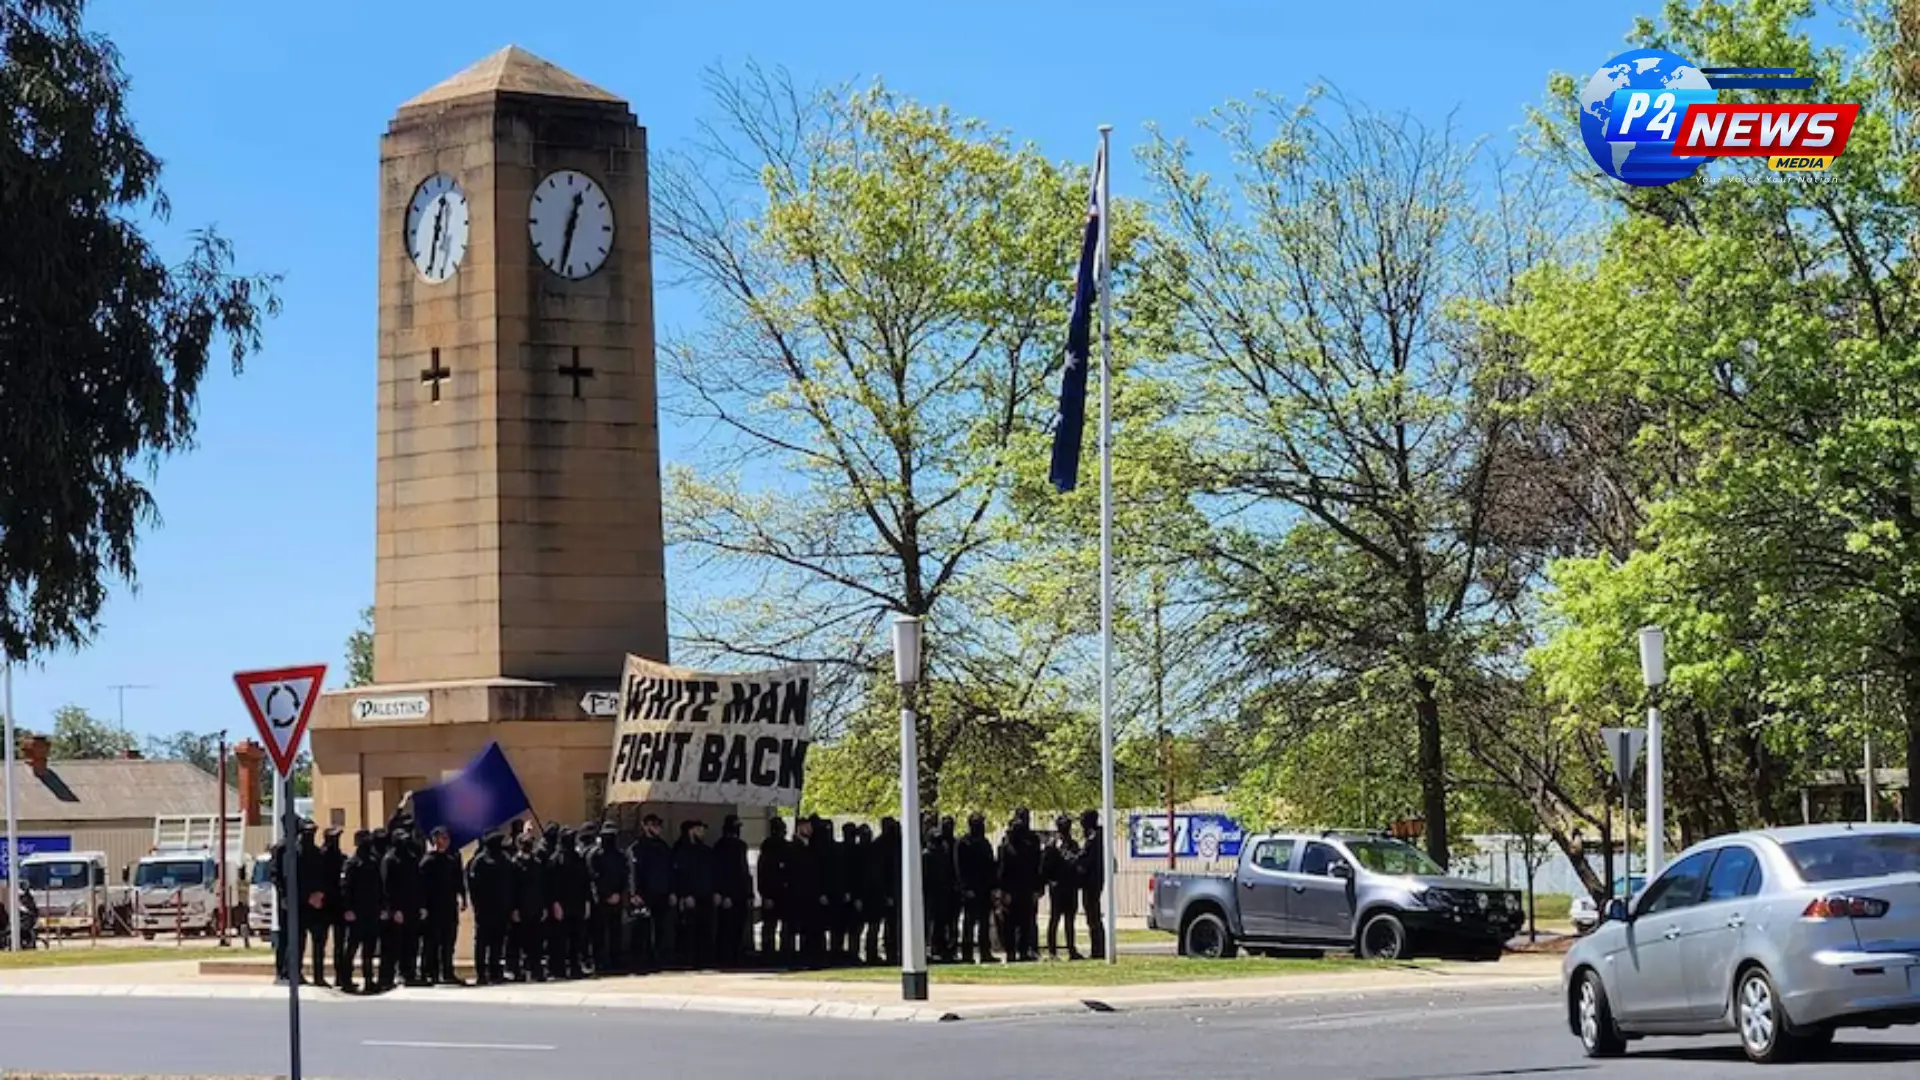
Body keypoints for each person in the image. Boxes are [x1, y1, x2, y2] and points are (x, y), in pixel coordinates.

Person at [419, 826, 467, 986]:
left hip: (449, 906)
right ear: (434, 840)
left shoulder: (451, 859)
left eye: (447, 838)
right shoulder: (427, 861)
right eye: (442, 838)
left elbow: (458, 881)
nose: (445, 841)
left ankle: (447, 971)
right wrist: (423, 906)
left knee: (448, 941)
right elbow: (422, 887)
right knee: (432, 942)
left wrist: (462, 897)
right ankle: (429, 972)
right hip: (433, 908)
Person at [628, 814, 675, 972]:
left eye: (659, 825)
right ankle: (642, 960)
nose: (658, 828)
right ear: (646, 826)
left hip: (661, 893)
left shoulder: (663, 846)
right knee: (643, 928)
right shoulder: (637, 847)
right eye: (654, 825)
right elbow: (633, 872)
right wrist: (634, 893)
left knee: (661, 927)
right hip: (644, 895)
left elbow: (670, 870)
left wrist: (672, 891)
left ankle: (659, 958)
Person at [337, 829, 381, 993]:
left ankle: (369, 980)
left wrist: (381, 907)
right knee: (352, 948)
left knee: (369, 949)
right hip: (356, 912)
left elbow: (379, 887)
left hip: (371, 911)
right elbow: (345, 888)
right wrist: (347, 908)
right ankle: (346, 980)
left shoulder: (374, 861)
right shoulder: (352, 863)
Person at [466, 831, 513, 984]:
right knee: (482, 942)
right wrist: (477, 906)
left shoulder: (504, 860)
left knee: (497, 942)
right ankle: (481, 973)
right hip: (485, 909)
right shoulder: (479, 861)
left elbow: (509, 884)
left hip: (501, 908)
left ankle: (495, 971)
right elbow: (473, 887)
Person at [380, 827, 425, 988]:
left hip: (412, 907)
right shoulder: (389, 859)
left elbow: (419, 883)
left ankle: (409, 973)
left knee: (411, 943)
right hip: (397, 909)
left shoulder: (411, 858)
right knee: (393, 945)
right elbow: (387, 887)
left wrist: (421, 905)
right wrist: (394, 909)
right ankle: (388, 977)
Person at [671, 820, 716, 969]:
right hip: (690, 897)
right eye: (700, 830)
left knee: (706, 928)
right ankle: (689, 960)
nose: (703, 834)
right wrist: (685, 894)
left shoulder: (706, 851)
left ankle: (705, 959)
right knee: (689, 929)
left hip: (706, 895)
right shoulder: (681, 850)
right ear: (692, 831)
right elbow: (679, 875)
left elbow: (712, 873)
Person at [588, 822, 630, 976]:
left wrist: (619, 894)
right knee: (599, 933)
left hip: (616, 899)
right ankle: (599, 961)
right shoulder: (595, 855)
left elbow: (624, 875)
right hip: (600, 901)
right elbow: (593, 877)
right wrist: (605, 895)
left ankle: (616, 960)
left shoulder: (620, 855)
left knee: (615, 932)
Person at [292, 820, 330, 986]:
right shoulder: (294, 854)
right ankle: (296, 973)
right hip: (300, 904)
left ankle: (319, 976)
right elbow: (292, 879)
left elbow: (324, 876)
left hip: (317, 905)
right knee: (298, 942)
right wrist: (307, 896)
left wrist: (320, 894)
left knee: (319, 942)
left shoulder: (318, 853)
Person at [956, 813, 997, 963]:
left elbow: (991, 865)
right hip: (971, 889)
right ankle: (967, 954)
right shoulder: (964, 843)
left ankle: (985, 953)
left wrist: (993, 886)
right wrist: (965, 888)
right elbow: (959, 868)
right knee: (969, 923)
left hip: (984, 888)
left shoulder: (985, 843)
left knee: (984, 923)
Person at [547, 826, 588, 979]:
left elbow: (584, 882)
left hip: (577, 904)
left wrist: (586, 902)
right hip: (561, 906)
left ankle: (575, 967)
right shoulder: (555, 859)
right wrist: (555, 903)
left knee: (576, 938)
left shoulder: (578, 858)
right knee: (559, 940)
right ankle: (558, 969)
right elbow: (551, 885)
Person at [713, 815, 752, 968]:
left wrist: (749, 893)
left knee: (737, 926)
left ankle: (735, 955)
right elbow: (721, 871)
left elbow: (744, 870)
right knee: (726, 927)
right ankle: (725, 957)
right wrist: (723, 893)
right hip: (729, 893)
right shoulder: (721, 846)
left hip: (740, 892)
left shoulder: (740, 845)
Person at [784, 817, 825, 965]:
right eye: (807, 827)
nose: (810, 830)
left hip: (811, 896)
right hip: (798, 895)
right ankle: (796, 958)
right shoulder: (792, 849)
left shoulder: (812, 848)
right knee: (796, 927)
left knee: (811, 929)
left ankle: (810, 956)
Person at [509, 831, 548, 982]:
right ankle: (518, 971)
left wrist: (543, 907)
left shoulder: (537, 864)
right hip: (520, 909)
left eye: (530, 843)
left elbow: (542, 887)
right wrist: (514, 909)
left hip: (535, 908)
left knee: (536, 942)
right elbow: (511, 889)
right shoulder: (514, 864)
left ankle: (536, 970)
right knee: (518, 941)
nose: (528, 846)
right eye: (525, 843)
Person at [1043, 814, 1083, 960]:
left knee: (1069, 920)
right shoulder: (1052, 845)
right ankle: (1052, 951)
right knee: (1054, 919)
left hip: (1070, 886)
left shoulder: (1073, 845)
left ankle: (1071, 949)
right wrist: (1049, 881)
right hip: (1057, 887)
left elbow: (1078, 863)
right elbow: (1045, 866)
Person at [755, 816, 791, 965]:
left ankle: (779, 952)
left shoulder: (782, 848)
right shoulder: (770, 849)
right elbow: (763, 873)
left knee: (781, 925)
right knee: (771, 925)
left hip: (782, 892)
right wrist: (766, 894)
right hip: (774, 891)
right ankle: (771, 953)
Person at [925, 815, 958, 962]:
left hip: (945, 892)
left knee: (945, 923)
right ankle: (934, 949)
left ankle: (946, 949)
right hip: (932, 894)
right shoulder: (926, 855)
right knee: (934, 923)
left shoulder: (944, 853)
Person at [871, 818, 903, 965]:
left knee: (893, 925)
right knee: (879, 924)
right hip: (884, 891)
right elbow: (878, 872)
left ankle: (894, 952)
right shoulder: (880, 845)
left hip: (895, 890)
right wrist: (886, 894)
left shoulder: (899, 843)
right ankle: (880, 953)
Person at [1075, 809, 1106, 960]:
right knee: (1093, 916)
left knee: (1093, 916)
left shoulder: (1094, 839)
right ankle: (1098, 948)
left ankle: (1098, 949)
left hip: (1091, 883)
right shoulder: (1098, 837)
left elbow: (1085, 860)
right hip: (1094, 881)